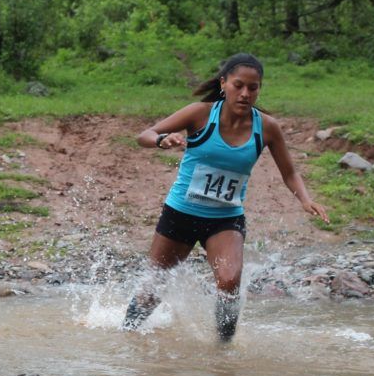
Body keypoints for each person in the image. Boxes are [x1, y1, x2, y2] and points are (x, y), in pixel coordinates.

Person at [124, 53, 329, 340]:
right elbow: (144, 135)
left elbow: (290, 172)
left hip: (225, 218)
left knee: (230, 280)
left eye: (253, 88)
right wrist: (161, 140)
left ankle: (224, 349)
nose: (245, 93)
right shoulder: (200, 113)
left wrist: (305, 199)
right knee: (154, 284)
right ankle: (127, 334)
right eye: (238, 85)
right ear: (224, 84)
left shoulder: (266, 127)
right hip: (181, 213)